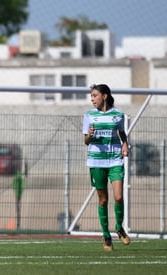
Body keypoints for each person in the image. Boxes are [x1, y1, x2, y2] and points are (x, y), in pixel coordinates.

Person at [82, 84, 130, 252]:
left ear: (105, 96)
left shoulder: (118, 114)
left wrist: (125, 144)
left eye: (95, 95)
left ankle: (119, 227)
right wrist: (90, 135)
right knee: (103, 199)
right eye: (91, 96)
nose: (92, 99)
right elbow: (86, 141)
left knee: (118, 197)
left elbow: (122, 132)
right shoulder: (89, 115)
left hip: (115, 160)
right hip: (96, 162)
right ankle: (106, 235)